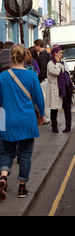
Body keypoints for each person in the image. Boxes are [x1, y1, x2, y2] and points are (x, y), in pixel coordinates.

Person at [0, 44, 45, 200]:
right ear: (25, 57)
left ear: (11, 57)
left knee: (7, 152)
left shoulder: (2, 77)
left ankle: (3, 176)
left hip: (7, 121)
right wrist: (42, 114)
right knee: (25, 155)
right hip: (27, 120)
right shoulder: (32, 75)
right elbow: (39, 98)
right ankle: (21, 188)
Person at [47, 45, 75, 134]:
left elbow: (67, 74)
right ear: (54, 54)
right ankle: (54, 126)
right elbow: (56, 72)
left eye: (61, 53)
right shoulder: (50, 64)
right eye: (59, 53)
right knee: (54, 108)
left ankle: (68, 126)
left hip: (65, 88)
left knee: (67, 108)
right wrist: (58, 63)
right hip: (56, 89)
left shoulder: (64, 62)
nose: (61, 55)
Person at [34, 39, 51, 124]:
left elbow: (42, 69)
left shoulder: (42, 56)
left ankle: (47, 118)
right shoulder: (47, 54)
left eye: (35, 46)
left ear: (38, 45)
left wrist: (41, 79)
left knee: (44, 99)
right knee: (47, 99)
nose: (34, 47)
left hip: (44, 80)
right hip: (47, 79)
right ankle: (48, 117)